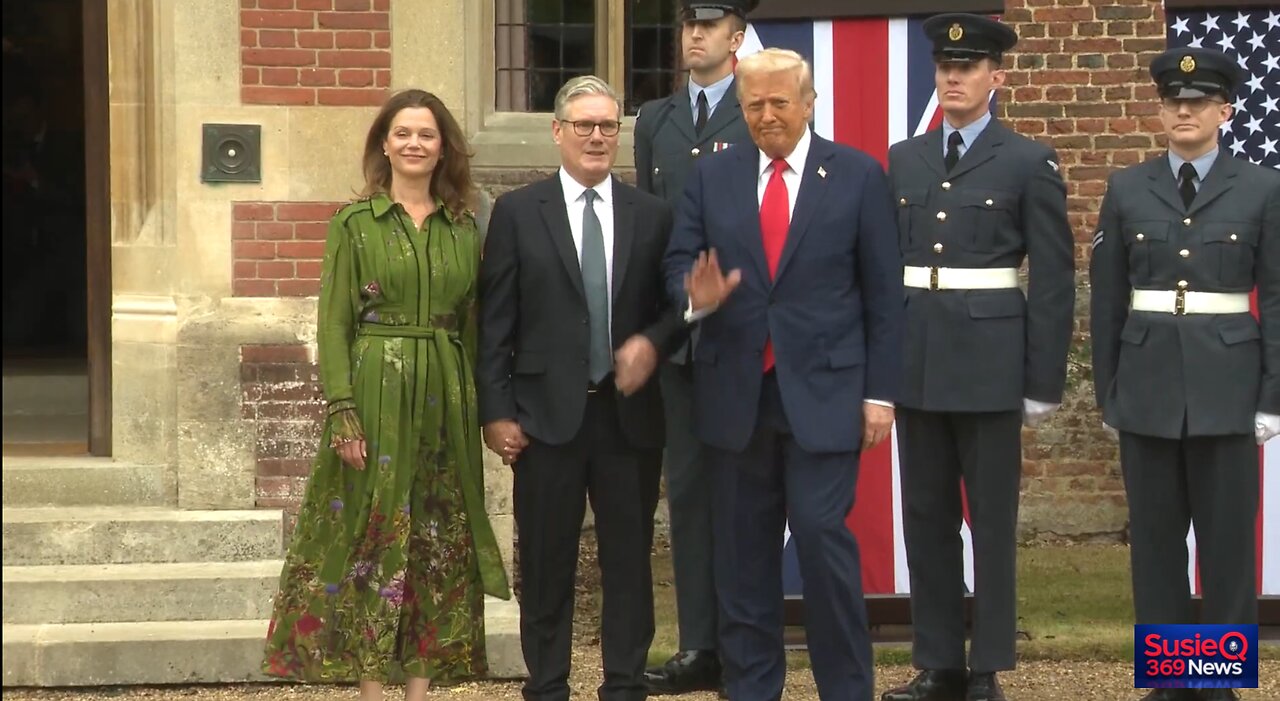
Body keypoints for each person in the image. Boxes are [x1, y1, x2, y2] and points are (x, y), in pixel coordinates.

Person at [664, 47, 904, 701]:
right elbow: (678, 262)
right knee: (742, 556)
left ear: (808, 102)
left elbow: (884, 294)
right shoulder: (711, 178)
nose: (767, 116)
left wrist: (881, 393)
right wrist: (694, 293)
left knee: (824, 542)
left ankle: (847, 687)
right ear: (738, 108)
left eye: (779, 103)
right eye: (753, 105)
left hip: (826, 394)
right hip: (735, 395)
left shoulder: (856, 176)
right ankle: (751, 687)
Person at [261, 89, 511, 701]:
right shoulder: (354, 224)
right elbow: (334, 323)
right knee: (374, 540)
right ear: (384, 144)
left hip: (447, 396)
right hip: (375, 391)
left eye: (426, 135)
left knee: (436, 543)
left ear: (443, 147)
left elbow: (478, 324)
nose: (414, 144)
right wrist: (343, 412)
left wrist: (485, 410)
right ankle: (374, 690)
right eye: (403, 133)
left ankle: (419, 691)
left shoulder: (465, 226)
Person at [880, 14, 1076, 701]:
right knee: (926, 518)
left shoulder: (1027, 159)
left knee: (990, 522)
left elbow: (1053, 277)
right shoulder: (905, 158)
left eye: (968, 68)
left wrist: (1041, 378)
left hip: (992, 360)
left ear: (997, 76)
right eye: (945, 67)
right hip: (917, 356)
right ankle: (937, 661)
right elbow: (882, 269)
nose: (954, 77)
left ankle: (987, 663)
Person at [477, 75, 686, 701]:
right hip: (545, 418)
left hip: (628, 419)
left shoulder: (652, 215)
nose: (596, 137)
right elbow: (495, 322)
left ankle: (624, 683)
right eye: (584, 125)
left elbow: (671, 310)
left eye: (607, 126)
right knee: (546, 565)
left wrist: (655, 338)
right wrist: (496, 410)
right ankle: (547, 684)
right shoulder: (519, 213)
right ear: (558, 132)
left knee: (628, 563)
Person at [1090, 47, 1280, 701]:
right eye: (1173, 100)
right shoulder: (1127, 187)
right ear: (1160, 108)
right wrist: (1108, 390)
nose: (1184, 110)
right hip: (1147, 385)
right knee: (1157, 539)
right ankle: (1173, 677)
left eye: (1197, 102)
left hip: (1229, 383)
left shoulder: (1261, 188)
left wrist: (1273, 396)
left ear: (1224, 111)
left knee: (1227, 540)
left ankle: (1216, 678)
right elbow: (1107, 295)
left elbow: (1278, 296)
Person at [633, 1, 754, 694]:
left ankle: (745, 643)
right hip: (681, 337)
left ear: (736, 38)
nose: (695, 36)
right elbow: (654, 230)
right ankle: (700, 645)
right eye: (687, 25)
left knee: (748, 497)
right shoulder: (656, 120)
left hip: (742, 336)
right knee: (688, 498)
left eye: (709, 26)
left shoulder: (761, 110)